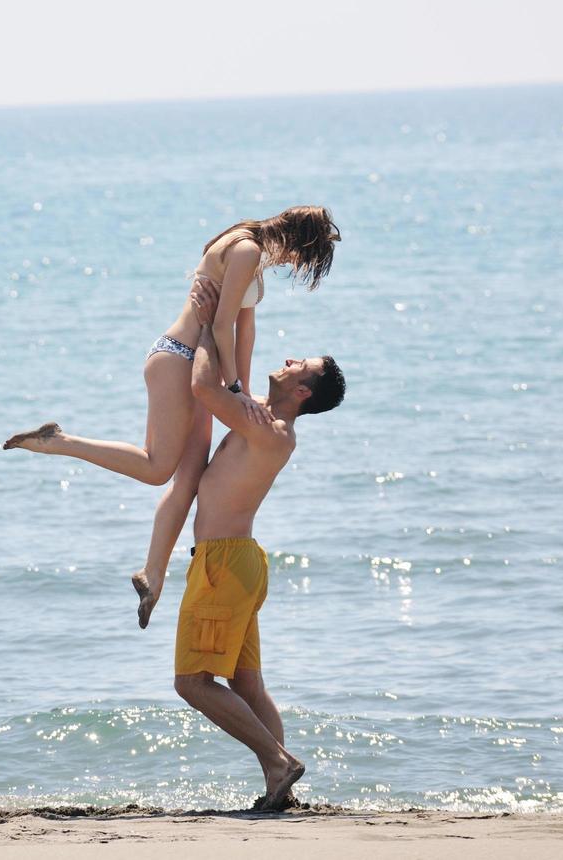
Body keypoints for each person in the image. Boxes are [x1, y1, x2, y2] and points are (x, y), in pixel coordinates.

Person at [3, 206, 340, 627]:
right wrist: (234, 390)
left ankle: (152, 576)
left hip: (194, 363)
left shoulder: (250, 253)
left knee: (189, 479)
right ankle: (59, 441)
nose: (295, 264)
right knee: (157, 467)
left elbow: (244, 330)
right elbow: (219, 328)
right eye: (303, 257)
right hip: (181, 358)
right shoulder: (246, 249)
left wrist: (243, 393)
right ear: (299, 241)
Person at [173, 276, 346, 811]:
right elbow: (225, 381)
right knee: (247, 683)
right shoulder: (261, 419)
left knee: (193, 682)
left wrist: (202, 320)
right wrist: (229, 316)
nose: (290, 359)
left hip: (225, 565)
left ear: (303, 393)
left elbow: (203, 388)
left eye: (301, 366)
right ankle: (282, 782)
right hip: (239, 562)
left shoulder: (269, 428)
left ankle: (278, 763)